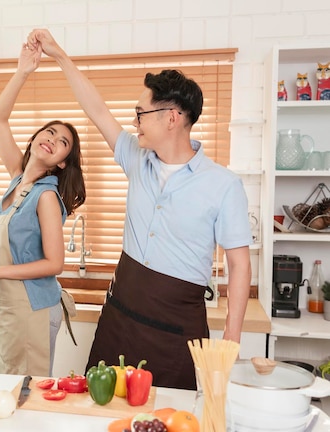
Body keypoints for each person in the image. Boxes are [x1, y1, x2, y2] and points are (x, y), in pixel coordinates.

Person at [28, 29, 252, 390]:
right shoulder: (137, 158)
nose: (135, 123)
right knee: (102, 409)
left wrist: (231, 338)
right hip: (120, 316)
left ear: (171, 117)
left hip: (178, 327)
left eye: (140, 114)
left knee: (172, 419)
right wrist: (58, 55)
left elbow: (240, 265)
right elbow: (96, 109)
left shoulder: (223, 185)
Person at [0, 42, 86, 377]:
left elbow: (55, 263)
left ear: (62, 162)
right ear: (36, 137)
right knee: (11, 389)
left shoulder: (46, 198)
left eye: (62, 142)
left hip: (32, 308)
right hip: (11, 306)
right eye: (49, 132)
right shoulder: (18, 179)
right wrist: (23, 71)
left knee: (25, 396)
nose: (52, 139)